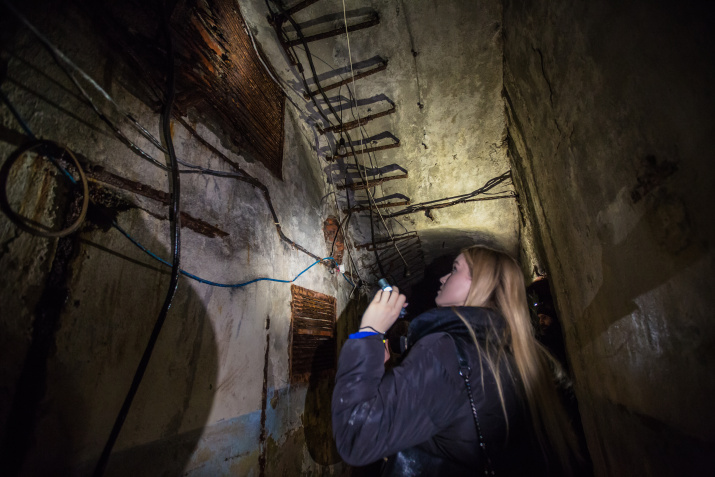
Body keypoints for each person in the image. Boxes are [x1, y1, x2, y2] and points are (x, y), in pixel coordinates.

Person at [332, 245, 584, 476]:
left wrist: (369, 331)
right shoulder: (527, 360)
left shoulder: (446, 352)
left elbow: (356, 437)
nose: (443, 278)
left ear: (481, 284)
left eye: (454, 269)